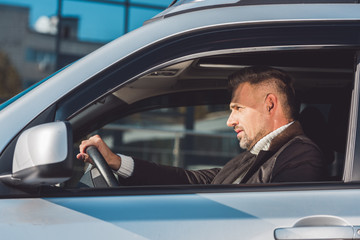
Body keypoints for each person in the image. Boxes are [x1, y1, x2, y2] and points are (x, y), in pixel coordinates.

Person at [77, 66, 327, 185]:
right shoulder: (255, 155)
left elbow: (277, 220)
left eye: (237, 108)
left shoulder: (300, 154)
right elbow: (191, 179)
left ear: (270, 105)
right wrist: (117, 162)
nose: (230, 121)